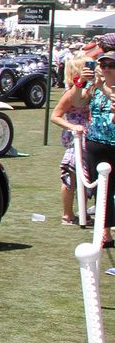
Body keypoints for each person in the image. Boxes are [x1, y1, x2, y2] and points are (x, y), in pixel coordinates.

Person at [64, 52, 115, 246]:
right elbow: (77, 102)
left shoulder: (103, 87)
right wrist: (79, 82)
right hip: (97, 143)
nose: (106, 68)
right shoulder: (94, 87)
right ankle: (105, 232)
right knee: (103, 189)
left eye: (111, 65)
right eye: (103, 65)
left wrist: (101, 84)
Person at [53, 62, 95, 225]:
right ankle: (68, 215)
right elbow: (55, 115)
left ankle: (82, 212)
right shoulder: (72, 92)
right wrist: (73, 127)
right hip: (75, 139)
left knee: (83, 176)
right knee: (70, 176)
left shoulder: (89, 88)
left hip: (87, 136)